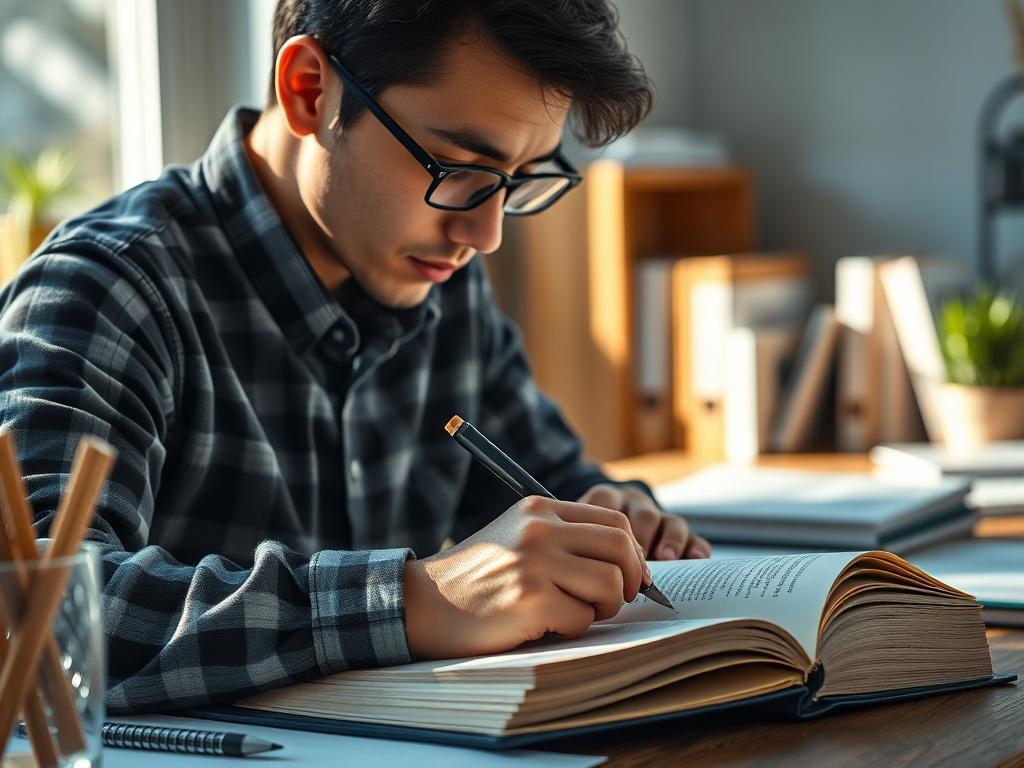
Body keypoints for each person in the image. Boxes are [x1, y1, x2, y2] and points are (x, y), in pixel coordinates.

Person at [0, 0, 710, 712]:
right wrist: (413, 602)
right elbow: (31, 608)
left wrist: (616, 519)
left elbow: (549, 486)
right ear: (310, 88)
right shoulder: (106, 289)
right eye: (459, 165)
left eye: (520, 176)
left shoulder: (441, 279)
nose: (485, 232)